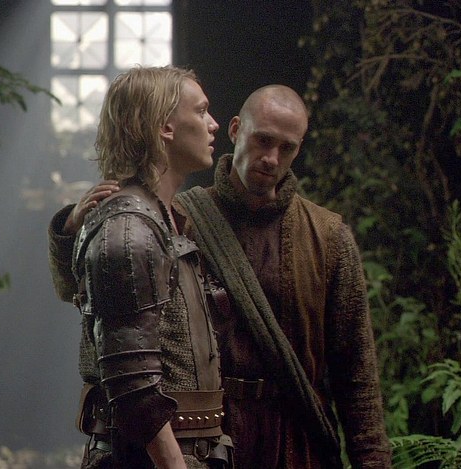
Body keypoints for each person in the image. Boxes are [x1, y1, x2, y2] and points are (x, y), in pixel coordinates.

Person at [50, 85, 391, 468]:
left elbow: (356, 372)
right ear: (235, 130)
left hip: (295, 441)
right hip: (203, 438)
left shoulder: (326, 237)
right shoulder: (175, 218)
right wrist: (71, 230)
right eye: (263, 140)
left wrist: (372, 461)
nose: (271, 158)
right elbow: (89, 297)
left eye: (287, 148)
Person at [49, 65, 233, 469]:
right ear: (165, 127)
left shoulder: (163, 216)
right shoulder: (130, 228)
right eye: (201, 111)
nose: (213, 124)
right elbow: (131, 381)